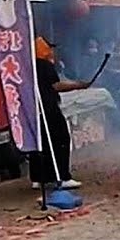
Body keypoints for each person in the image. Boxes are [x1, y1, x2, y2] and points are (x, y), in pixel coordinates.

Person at [31, 38, 90, 190]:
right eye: (50, 48)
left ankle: (38, 178)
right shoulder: (45, 65)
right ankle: (62, 177)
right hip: (48, 108)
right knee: (61, 139)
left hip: (33, 109)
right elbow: (56, 86)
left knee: (39, 142)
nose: (52, 51)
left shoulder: (28, 66)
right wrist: (78, 85)